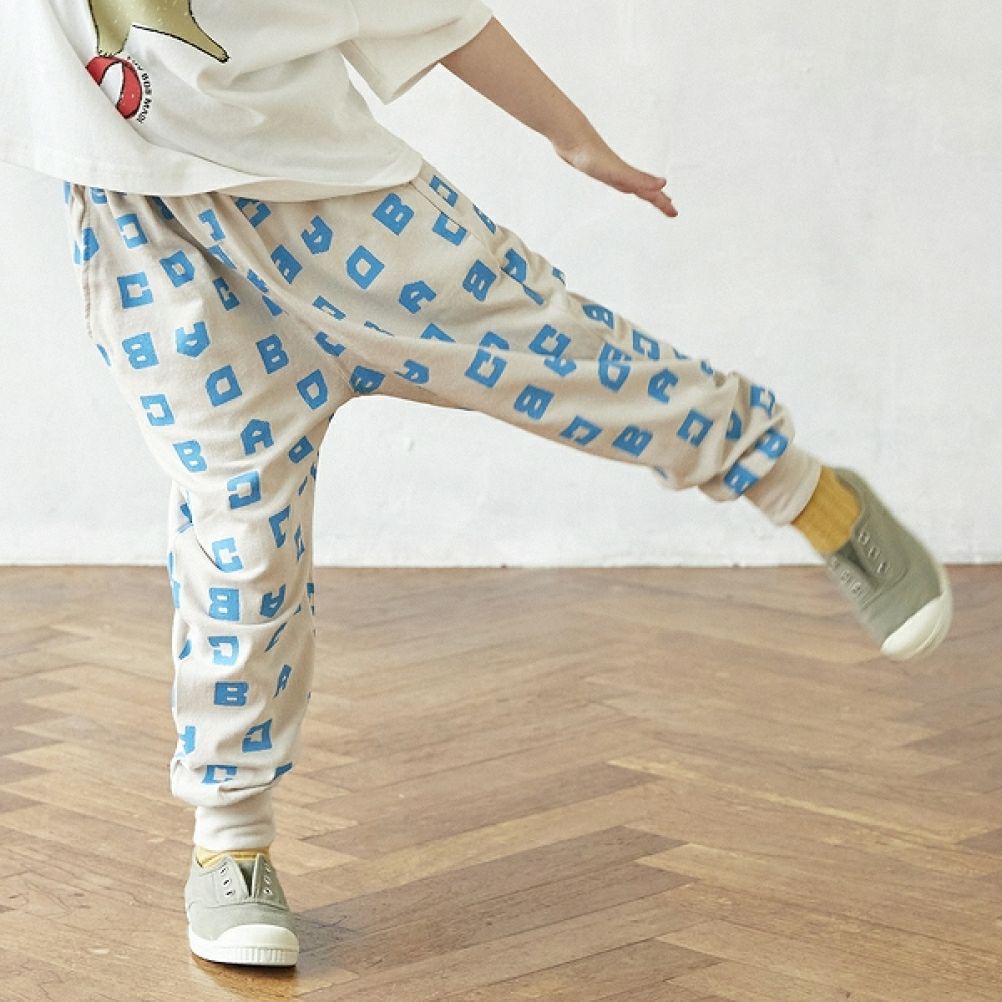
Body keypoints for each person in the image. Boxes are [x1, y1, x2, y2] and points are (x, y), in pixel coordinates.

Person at [0, 1, 952, 969]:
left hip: (345, 209)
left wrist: (571, 135)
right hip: (159, 252)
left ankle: (809, 494)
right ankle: (231, 842)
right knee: (238, 533)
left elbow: (431, 12)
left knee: (570, 363)